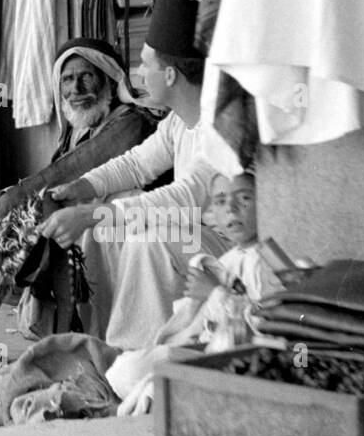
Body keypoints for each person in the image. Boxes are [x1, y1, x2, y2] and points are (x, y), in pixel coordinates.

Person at [38, 0, 232, 350]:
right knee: (109, 218)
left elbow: (183, 198)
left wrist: (93, 214)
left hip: (222, 246)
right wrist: (82, 187)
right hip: (188, 231)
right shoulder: (178, 121)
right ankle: (101, 343)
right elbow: (137, 165)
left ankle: (135, 355)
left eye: (147, 63)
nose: (139, 73)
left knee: (145, 239)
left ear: (171, 75)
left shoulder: (217, 128)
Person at [0, 37, 161, 335]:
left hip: (143, 227)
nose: (76, 89)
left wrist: (14, 198)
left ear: (109, 80)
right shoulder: (79, 129)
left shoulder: (133, 121)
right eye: (67, 79)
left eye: (86, 76)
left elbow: (71, 173)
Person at [108, 172, 284, 413]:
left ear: (264, 201)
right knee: (125, 370)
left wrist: (215, 294)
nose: (231, 209)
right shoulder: (225, 261)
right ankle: (169, 391)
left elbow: (272, 327)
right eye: (220, 201)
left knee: (155, 383)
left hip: (246, 360)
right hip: (207, 353)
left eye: (244, 198)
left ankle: (169, 394)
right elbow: (193, 329)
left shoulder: (270, 260)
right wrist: (199, 303)